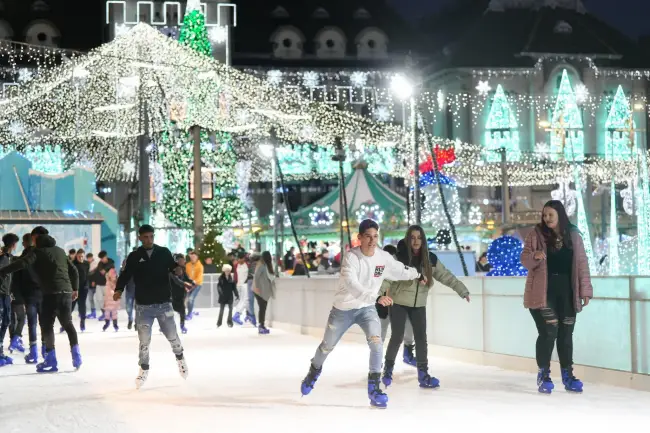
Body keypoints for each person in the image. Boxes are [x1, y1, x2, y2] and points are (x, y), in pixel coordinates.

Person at [300, 219, 421, 409]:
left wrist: (418, 274)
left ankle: (374, 389)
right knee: (326, 346)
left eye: (375, 236)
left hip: (367, 309)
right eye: (368, 237)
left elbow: (400, 270)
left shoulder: (382, 257)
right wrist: (375, 298)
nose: (372, 241)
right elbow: (352, 285)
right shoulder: (351, 258)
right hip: (343, 310)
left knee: (376, 343)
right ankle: (313, 372)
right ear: (360, 238)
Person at [382, 226, 470, 389]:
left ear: (423, 240)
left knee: (421, 338)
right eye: (412, 238)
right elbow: (387, 277)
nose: (416, 241)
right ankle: (387, 370)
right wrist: (379, 295)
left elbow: (446, 276)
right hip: (399, 302)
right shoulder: (399, 257)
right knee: (397, 336)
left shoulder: (430, 259)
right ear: (408, 239)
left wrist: (462, 290)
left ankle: (423, 374)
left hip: (419, 304)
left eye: (419, 238)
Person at [521, 200, 593, 394]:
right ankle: (543, 374)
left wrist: (585, 290)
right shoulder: (536, 235)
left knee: (566, 334)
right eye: (544, 215)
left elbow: (582, 264)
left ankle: (568, 376)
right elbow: (525, 260)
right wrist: (534, 256)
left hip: (567, 293)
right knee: (549, 332)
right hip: (543, 293)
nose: (546, 219)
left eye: (550, 215)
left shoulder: (574, 236)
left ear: (560, 215)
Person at [114, 225, 187, 389]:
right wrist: (119, 289)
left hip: (163, 304)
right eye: (145, 237)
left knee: (172, 336)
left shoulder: (163, 252)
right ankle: (144, 368)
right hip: (143, 307)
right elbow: (125, 275)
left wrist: (177, 270)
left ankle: (180, 358)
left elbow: (173, 267)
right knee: (144, 341)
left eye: (151, 236)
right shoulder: (134, 256)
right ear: (140, 238)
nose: (148, 240)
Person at [0, 226, 81, 372]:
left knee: (46, 325)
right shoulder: (60, 251)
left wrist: (3, 271)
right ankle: (77, 356)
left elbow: (23, 263)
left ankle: (51, 360)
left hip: (50, 293)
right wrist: (75, 288)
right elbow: (74, 270)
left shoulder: (37, 251)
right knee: (67, 323)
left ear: (36, 237)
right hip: (66, 291)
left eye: (33, 238)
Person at [376, 244, 417, 367]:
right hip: (383, 304)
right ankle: (377, 359)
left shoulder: (400, 267)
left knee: (408, 326)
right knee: (381, 331)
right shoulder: (379, 267)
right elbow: (376, 282)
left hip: (399, 304)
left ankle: (408, 353)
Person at [0, 233, 19, 366]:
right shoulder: (3, 259)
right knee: (4, 320)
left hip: (6, 294)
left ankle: (0, 351)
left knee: (7, 320)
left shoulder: (8, 257)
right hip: (1, 295)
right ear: (13, 244)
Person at [253, 251, 275, 335]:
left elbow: (269, 277)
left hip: (264, 290)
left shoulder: (266, 266)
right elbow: (256, 277)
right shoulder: (262, 266)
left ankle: (262, 325)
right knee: (262, 308)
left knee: (263, 308)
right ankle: (261, 326)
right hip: (260, 291)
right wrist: (257, 287)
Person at [73, 249, 90, 332]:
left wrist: (87, 285)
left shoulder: (87, 264)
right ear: (76, 256)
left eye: (82, 256)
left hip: (83, 288)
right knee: (71, 307)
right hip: (74, 289)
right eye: (79, 256)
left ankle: (82, 322)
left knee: (82, 306)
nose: (80, 258)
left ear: (84, 256)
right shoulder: (73, 264)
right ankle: (65, 324)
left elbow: (87, 275)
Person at [216, 264, 238, 328]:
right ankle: (219, 323)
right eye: (226, 271)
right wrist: (220, 292)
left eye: (229, 271)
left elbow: (234, 288)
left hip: (229, 296)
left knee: (230, 309)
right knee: (221, 310)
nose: (228, 272)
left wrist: (236, 294)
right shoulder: (221, 278)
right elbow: (218, 286)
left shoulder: (232, 279)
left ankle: (229, 322)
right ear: (224, 271)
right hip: (223, 296)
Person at [232, 253, 250, 325]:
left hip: (245, 284)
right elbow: (235, 276)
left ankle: (247, 315)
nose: (239, 260)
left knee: (246, 300)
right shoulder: (236, 265)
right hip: (239, 285)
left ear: (243, 259)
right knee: (243, 300)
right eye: (238, 259)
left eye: (240, 259)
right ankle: (237, 315)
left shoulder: (248, 265)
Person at [185, 251, 204, 319]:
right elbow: (186, 275)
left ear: (197, 257)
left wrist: (194, 282)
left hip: (197, 284)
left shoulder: (200, 266)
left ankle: (190, 314)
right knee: (187, 299)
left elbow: (199, 276)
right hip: (189, 284)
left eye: (194, 256)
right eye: (191, 256)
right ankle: (191, 311)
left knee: (191, 298)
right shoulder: (187, 265)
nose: (193, 258)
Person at [102, 261, 119, 332]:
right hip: (111, 295)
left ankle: (110, 323)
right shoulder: (112, 273)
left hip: (111, 295)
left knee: (110, 311)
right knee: (111, 311)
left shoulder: (108, 274)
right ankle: (112, 324)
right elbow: (113, 280)